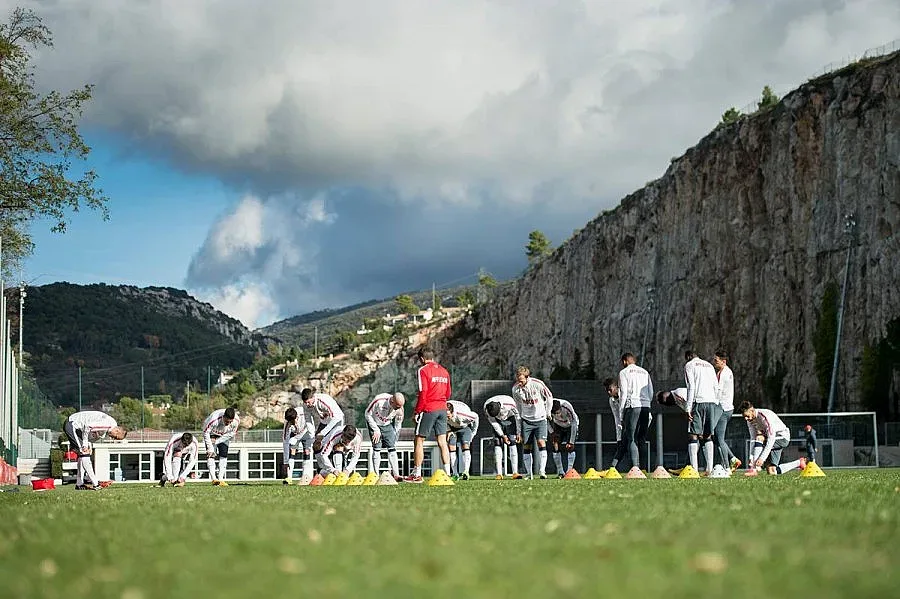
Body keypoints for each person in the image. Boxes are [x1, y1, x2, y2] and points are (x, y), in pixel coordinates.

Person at [403, 347, 452, 483]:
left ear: (422, 359)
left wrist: (417, 411)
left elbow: (423, 392)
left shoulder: (423, 370)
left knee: (419, 440)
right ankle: (448, 473)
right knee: (442, 442)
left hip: (429, 408)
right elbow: (448, 393)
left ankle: (417, 474)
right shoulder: (444, 371)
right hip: (442, 408)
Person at [610, 354, 653, 472]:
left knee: (632, 438)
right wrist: (647, 403)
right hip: (645, 406)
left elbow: (623, 393)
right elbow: (651, 392)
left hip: (632, 406)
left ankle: (635, 467)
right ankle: (643, 469)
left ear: (625, 361)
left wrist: (622, 412)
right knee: (642, 438)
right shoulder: (644, 372)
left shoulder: (624, 372)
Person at [64, 410, 128, 490]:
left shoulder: (111, 424)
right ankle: (96, 484)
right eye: (116, 437)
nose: (113, 438)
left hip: (77, 427)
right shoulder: (107, 425)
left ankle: (79, 484)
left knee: (83, 455)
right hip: (73, 425)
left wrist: (89, 444)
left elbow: (91, 431)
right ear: (117, 431)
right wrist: (85, 443)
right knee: (84, 453)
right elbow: (88, 426)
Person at [739, 401, 807, 475]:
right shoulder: (749, 420)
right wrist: (751, 456)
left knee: (760, 437)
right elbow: (753, 438)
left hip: (782, 438)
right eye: (744, 416)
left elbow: (771, 438)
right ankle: (799, 462)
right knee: (771, 471)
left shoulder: (765, 416)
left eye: (747, 416)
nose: (746, 419)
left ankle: (753, 470)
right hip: (771, 440)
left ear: (752, 410)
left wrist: (762, 458)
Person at [511, 366, 553, 479]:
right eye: (518, 380)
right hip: (526, 420)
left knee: (541, 442)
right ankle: (529, 474)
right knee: (526, 446)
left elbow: (549, 397)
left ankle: (542, 472)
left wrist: (548, 412)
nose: (520, 383)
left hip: (540, 419)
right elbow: (518, 407)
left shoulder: (538, 384)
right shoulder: (515, 389)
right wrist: (518, 430)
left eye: (522, 380)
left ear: (527, 377)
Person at [684, 350, 720, 475]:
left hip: (698, 401)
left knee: (693, 434)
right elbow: (716, 386)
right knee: (707, 435)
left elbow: (691, 387)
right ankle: (709, 469)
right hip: (711, 402)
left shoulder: (689, 365)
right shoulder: (709, 366)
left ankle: (694, 470)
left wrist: (688, 407)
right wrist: (715, 402)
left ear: (688, 358)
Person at [712, 349, 742, 471]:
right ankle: (733, 459)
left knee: (719, 439)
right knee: (716, 438)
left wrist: (712, 404)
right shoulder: (725, 371)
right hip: (726, 408)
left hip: (722, 409)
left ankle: (726, 467)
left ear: (723, 361)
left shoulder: (724, 374)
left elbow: (718, 393)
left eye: (716, 360)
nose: (714, 362)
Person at [364, 392, 405, 480]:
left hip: (387, 425)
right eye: (397, 406)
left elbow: (398, 424)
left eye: (400, 407)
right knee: (377, 448)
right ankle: (376, 475)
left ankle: (396, 474)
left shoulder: (400, 409)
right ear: (392, 401)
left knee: (392, 448)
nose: (398, 408)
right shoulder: (379, 400)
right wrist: (375, 429)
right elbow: (367, 414)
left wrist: (395, 436)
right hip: (375, 424)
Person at [483, 395, 522, 479]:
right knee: (497, 442)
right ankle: (499, 473)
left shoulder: (510, 403)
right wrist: (502, 435)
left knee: (512, 441)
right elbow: (493, 422)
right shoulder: (487, 408)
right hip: (497, 422)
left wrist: (519, 432)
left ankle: (515, 472)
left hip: (510, 417)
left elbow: (517, 417)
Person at [202, 407, 239, 486]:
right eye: (226, 421)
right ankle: (214, 479)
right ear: (223, 417)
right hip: (211, 434)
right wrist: (210, 448)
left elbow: (232, 433)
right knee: (211, 455)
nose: (228, 423)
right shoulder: (214, 419)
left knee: (224, 454)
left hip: (224, 435)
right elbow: (206, 433)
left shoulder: (236, 421)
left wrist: (218, 441)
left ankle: (221, 479)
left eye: (230, 422)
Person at [446, 400, 479, 480]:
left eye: (448, 416)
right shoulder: (442, 411)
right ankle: (455, 473)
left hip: (464, 427)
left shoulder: (463, 415)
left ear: (452, 412)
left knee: (465, 445)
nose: (446, 418)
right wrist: (448, 430)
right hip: (452, 428)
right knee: (451, 447)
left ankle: (466, 472)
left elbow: (476, 417)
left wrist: (473, 433)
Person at [282, 405, 315, 485]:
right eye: (290, 423)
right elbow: (285, 441)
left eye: (293, 422)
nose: (292, 424)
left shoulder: (303, 412)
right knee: (292, 451)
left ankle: (306, 476)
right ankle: (289, 477)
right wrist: (285, 461)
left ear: (296, 417)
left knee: (307, 452)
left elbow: (308, 426)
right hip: (295, 434)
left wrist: (296, 438)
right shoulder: (287, 422)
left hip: (306, 432)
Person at [549, 399, 579, 477]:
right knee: (555, 447)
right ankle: (560, 472)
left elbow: (574, 422)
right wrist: (552, 432)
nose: (558, 414)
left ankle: (569, 471)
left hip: (570, 425)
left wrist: (571, 441)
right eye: (556, 413)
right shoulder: (547, 407)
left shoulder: (566, 406)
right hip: (558, 425)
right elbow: (544, 420)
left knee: (570, 447)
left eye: (559, 411)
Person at [605, 378, 625, 468]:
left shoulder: (625, 394)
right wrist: (619, 437)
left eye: (610, 389)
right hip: (624, 425)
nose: (609, 392)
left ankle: (640, 468)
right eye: (607, 390)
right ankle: (612, 468)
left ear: (616, 387)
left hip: (635, 422)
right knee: (621, 447)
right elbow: (616, 418)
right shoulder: (611, 401)